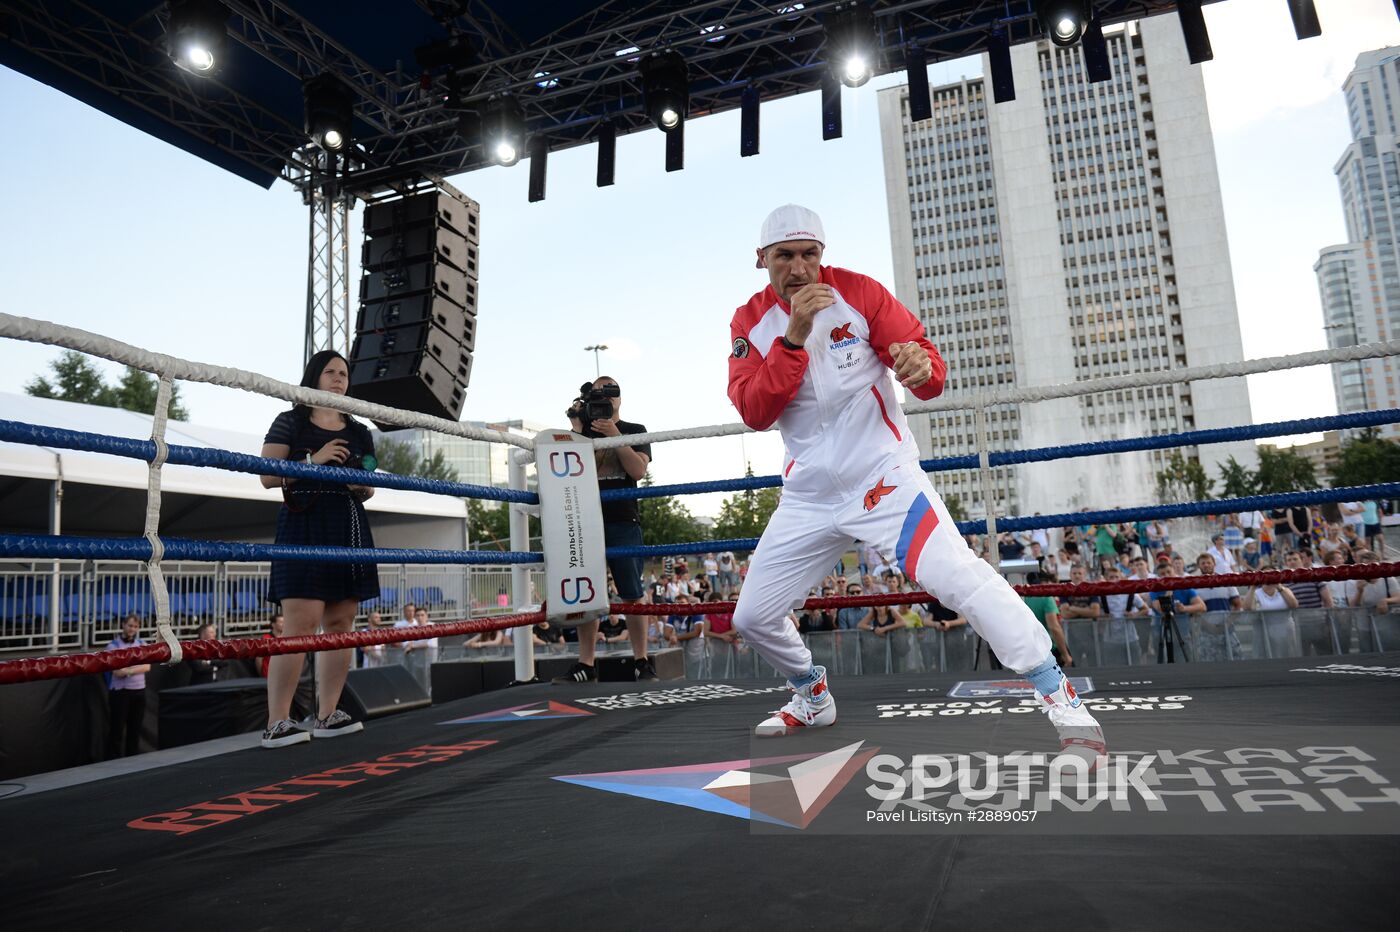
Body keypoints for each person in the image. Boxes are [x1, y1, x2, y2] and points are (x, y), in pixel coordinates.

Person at [723, 204, 1101, 755]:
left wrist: (921, 367)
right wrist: (794, 338)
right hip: (808, 496)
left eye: (810, 254)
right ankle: (811, 690)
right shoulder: (749, 322)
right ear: (762, 260)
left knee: (960, 579)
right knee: (752, 617)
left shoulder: (862, 293)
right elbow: (753, 411)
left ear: (823, 255)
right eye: (785, 256)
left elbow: (926, 369)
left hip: (883, 478)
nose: (800, 268)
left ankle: (1060, 695)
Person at [258, 350, 378, 748]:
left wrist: (360, 485)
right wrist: (315, 460)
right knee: (301, 624)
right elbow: (266, 475)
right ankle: (278, 721)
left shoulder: (359, 430)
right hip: (304, 522)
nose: (339, 379)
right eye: (330, 371)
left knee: (342, 621)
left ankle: (328, 713)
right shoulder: (290, 420)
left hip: (346, 521)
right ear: (314, 376)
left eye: (344, 373)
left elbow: (369, 481)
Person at [555, 376, 657, 683]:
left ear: (619, 399)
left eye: (609, 394)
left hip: (623, 519)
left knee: (632, 593)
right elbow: (566, 472)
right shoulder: (580, 433)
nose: (604, 400)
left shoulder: (634, 430)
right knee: (587, 593)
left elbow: (637, 470)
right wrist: (576, 428)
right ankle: (586, 664)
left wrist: (614, 434)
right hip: (584, 520)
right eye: (597, 395)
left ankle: (641, 660)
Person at [105, 614, 151, 758]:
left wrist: (128, 670)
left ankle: (133, 762)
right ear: (123, 625)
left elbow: (147, 667)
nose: (132, 629)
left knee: (134, 729)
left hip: (139, 691)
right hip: (120, 693)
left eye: (135, 626)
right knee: (117, 730)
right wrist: (135, 669)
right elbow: (117, 672)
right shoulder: (113, 646)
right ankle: (113, 762)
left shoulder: (142, 644)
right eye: (130, 625)